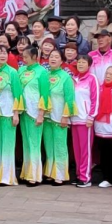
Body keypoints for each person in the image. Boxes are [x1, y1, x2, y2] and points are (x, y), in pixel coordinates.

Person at [0, 46, 23, 186]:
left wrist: (16, 113)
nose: (2, 55)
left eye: (4, 53)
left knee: (8, 145)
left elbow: (18, 94)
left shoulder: (13, 72)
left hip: (9, 113)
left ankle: (7, 177)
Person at [17, 48, 49, 186]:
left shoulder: (42, 72)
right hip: (24, 110)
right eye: (23, 57)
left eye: (27, 57)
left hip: (35, 110)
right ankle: (26, 172)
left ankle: (35, 176)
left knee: (34, 143)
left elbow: (45, 94)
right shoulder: (21, 70)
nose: (24, 59)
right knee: (26, 143)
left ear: (35, 56)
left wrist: (41, 113)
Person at [44, 50, 75, 185]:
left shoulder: (66, 77)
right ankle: (50, 172)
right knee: (49, 145)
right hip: (46, 117)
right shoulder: (45, 75)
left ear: (62, 61)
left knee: (60, 146)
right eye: (51, 56)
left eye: (56, 57)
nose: (53, 59)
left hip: (59, 116)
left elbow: (70, 98)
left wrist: (65, 116)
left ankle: (60, 175)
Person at [70, 55, 98, 188]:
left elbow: (95, 99)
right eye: (79, 62)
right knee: (77, 150)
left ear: (89, 65)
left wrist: (91, 117)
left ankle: (85, 177)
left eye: (83, 62)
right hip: (74, 119)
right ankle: (78, 174)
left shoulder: (92, 79)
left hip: (85, 119)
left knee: (85, 149)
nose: (81, 64)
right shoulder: (73, 78)